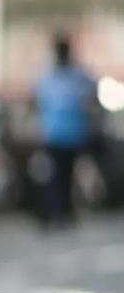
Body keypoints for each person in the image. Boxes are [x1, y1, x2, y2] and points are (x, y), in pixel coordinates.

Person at [33, 31, 99, 227]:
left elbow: (94, 91)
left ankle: (65, 210)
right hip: (55, 134)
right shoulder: (47, 75)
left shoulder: (77, 74)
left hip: (73, 133)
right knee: (56, 174)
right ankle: (58, 211)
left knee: (68, 174)